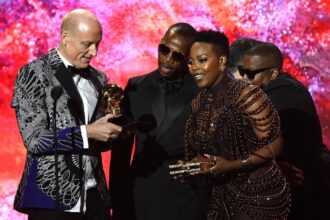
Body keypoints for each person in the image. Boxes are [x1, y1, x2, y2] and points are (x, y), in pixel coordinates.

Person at [11, 9, 123, 220]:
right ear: (65, 38)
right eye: (87, 44)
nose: (94, 52)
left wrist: (113, 133)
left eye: (98, 44)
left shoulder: (100, 78)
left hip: (94, 196)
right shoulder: (33, 73)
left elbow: (98, 138)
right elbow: (34, 139)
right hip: (51, 199)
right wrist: (87, 133)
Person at [185, 30, 291, 220]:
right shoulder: (199, 102)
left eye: (202, 60)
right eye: (191, 62)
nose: (195, 68)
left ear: (222, 62)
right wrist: (196, 164)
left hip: (259, 200)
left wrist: (232, 165)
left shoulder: (246, 94)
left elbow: (275, 145)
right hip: (220, 198)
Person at [110, 23, 210, 220]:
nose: (168, 59)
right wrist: (116, 198)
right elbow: (121, 151)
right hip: (140, 194)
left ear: (189, 59)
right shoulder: (135, 86)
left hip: (186, 199)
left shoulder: (204, 93)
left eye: (178, 56)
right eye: (164, 50)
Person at [241, 42, 330, 219]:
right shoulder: (272, 90)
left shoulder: (286, 91)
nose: (244, 79)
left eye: (250, 74)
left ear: (273, 73)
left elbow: (245, 127)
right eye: (242, 71)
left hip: (307, 191)